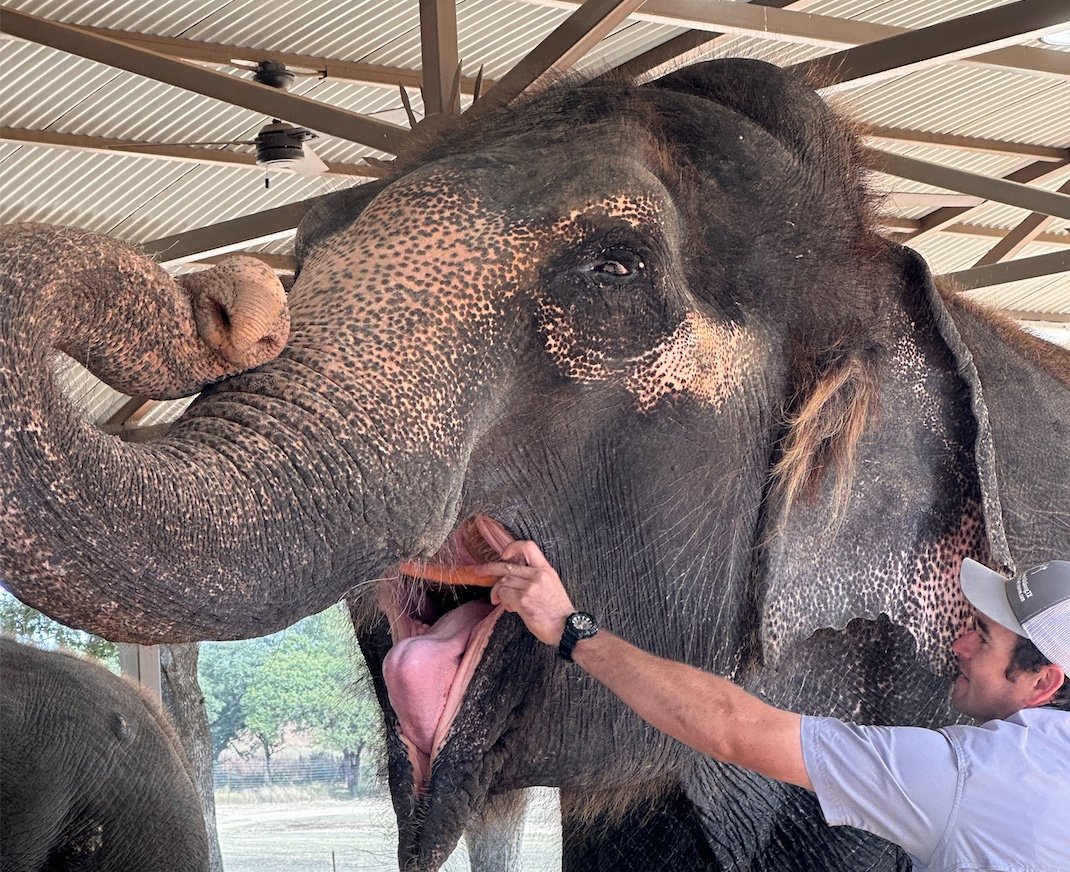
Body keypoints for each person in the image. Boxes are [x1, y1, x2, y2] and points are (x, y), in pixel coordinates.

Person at [480, 548, 1070, 872]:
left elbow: (737, 731)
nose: (959, 644)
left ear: (1043, 680)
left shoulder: (971, 777)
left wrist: (570, 628)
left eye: (984, 639)